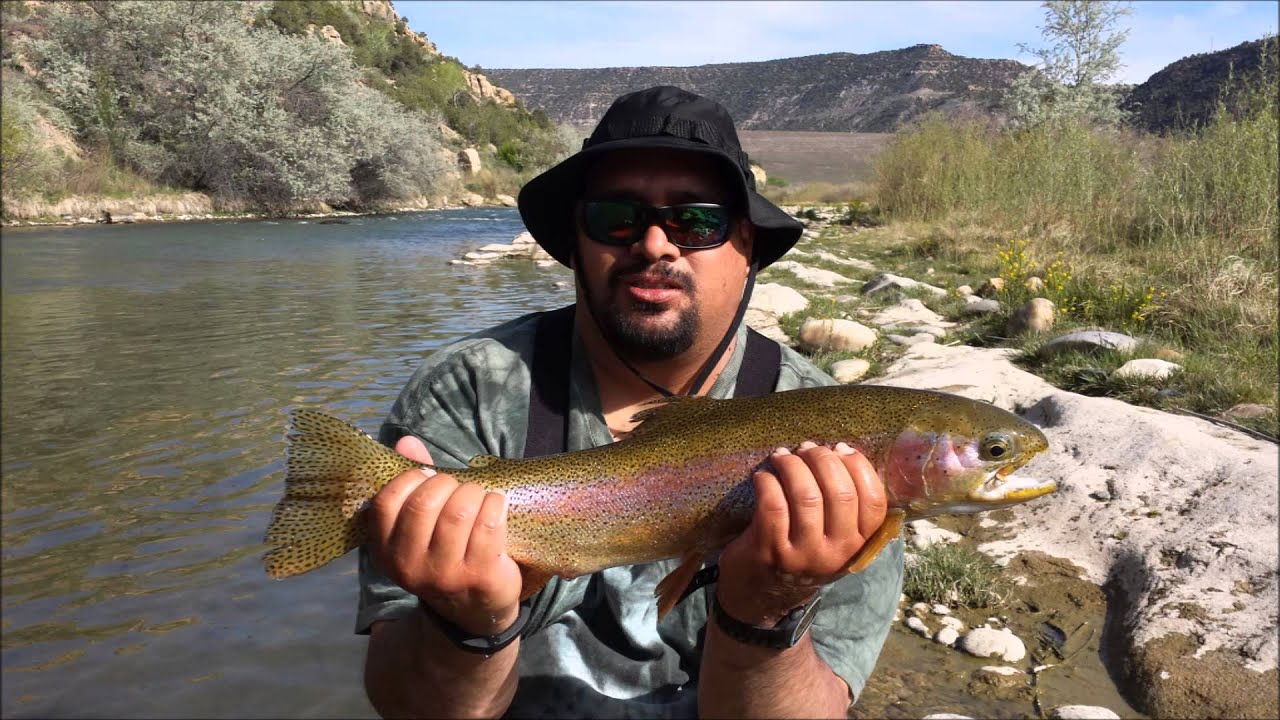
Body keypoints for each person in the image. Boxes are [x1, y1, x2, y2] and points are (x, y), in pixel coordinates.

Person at [356, 86, 904, 719]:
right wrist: (465, 623)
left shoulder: (838, 434)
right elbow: (411, 708)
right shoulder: (469, 390)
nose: (654, 244)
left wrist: (766, 611)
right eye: (616, 217)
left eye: (696, 221)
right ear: (576, 241)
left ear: (747, 245)